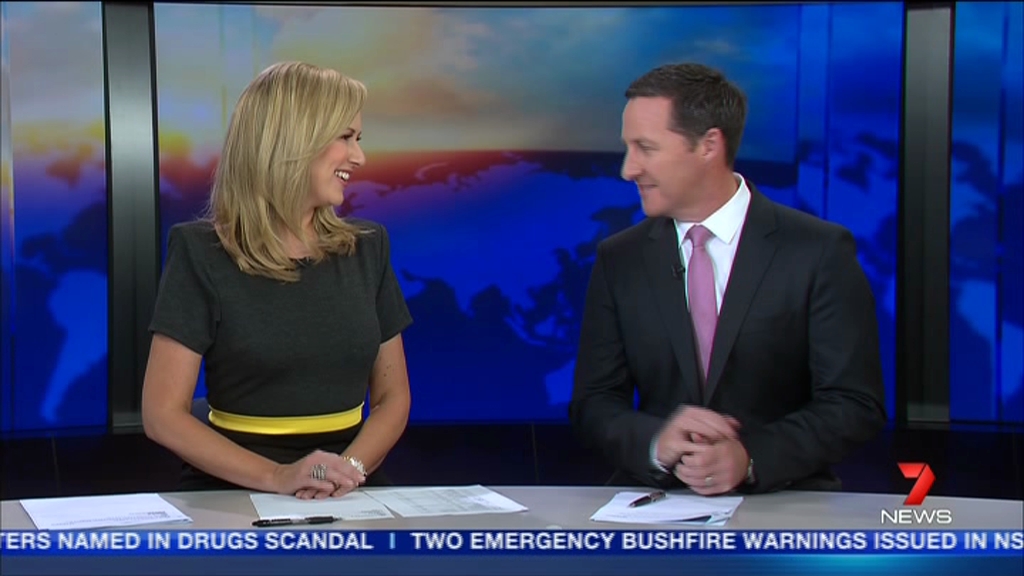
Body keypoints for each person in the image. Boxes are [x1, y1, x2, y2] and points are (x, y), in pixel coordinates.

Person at [569, 63, 886, 495]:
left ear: (709, 145)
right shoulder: (620, 258)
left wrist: (751, 458)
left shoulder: (817, 250)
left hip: (784, 498)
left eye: (646, 148)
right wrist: (656, 443)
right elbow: (594, 403)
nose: (628, 169)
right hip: (658, 503)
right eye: (629, 148)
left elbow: (854, 402)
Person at [142, 62, 413, 500]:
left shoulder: (368, 247)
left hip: (349, 485)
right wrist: (278, 476)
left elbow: (392, 398)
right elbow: (162, 414)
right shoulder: (200, 252)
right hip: (236, 485)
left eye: (358, 139)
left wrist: (346, 472)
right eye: (345, 137)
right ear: (294, 141)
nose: (358, 157)